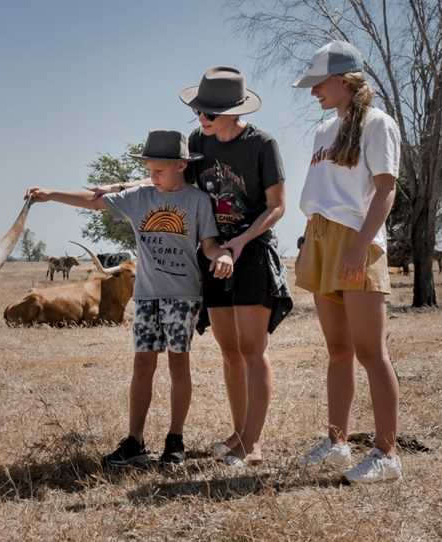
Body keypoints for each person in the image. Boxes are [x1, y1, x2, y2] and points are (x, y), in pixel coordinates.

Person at [93, 67, 292, 467]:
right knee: (229, 351)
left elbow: (277, 206)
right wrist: (120, 188)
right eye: (199, 110)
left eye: (211, 112)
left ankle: (253, 444)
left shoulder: (262, 144)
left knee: (253, 349)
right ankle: (238, 434)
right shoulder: (199, 141)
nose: (202, 118)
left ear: (235, 111)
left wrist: (240, 242)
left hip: (249, 252)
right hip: (212, 254)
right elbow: (169, 173)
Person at [27, 130, 234, 467]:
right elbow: (93, 200)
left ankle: (175, 441)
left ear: (181, 165)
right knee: (142, 366)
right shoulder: (140, 197)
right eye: (150, 170)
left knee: (179, 365)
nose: (153, 177)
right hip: (147, 296)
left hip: (182, 296)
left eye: (159, 171)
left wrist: (221, 255)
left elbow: (208, 243)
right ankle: (135, 441)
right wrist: (52, 194)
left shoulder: (197, 201)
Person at [293, 41, 402, 483]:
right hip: (320, 238)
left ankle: (387, 454)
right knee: (337, 350)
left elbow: (386, 189)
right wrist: (307, 243)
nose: (313, 91)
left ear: (344, 81)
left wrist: (360, 245)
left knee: (371, 351)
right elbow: (320, 192)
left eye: (319, 84)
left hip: (357, 239)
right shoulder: (324, 131)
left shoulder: (378, 124)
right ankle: (337, 442)